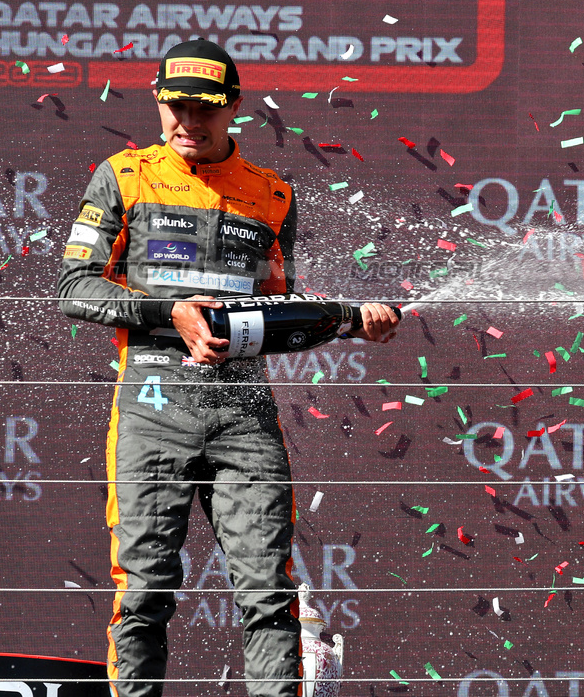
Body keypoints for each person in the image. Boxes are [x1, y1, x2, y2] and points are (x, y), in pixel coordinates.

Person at [57, 39, 400, 697]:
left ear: (234, 107)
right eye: (175, 106)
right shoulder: (124, 175)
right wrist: (171, 313)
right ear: (157, 100)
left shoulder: (271, 195)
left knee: (270, 597)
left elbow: (275, 316)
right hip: (151, 412)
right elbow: (76, 289)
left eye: (205, 109)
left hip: (244, 418)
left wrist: (354, 319)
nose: (189, 121)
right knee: (143, 599)